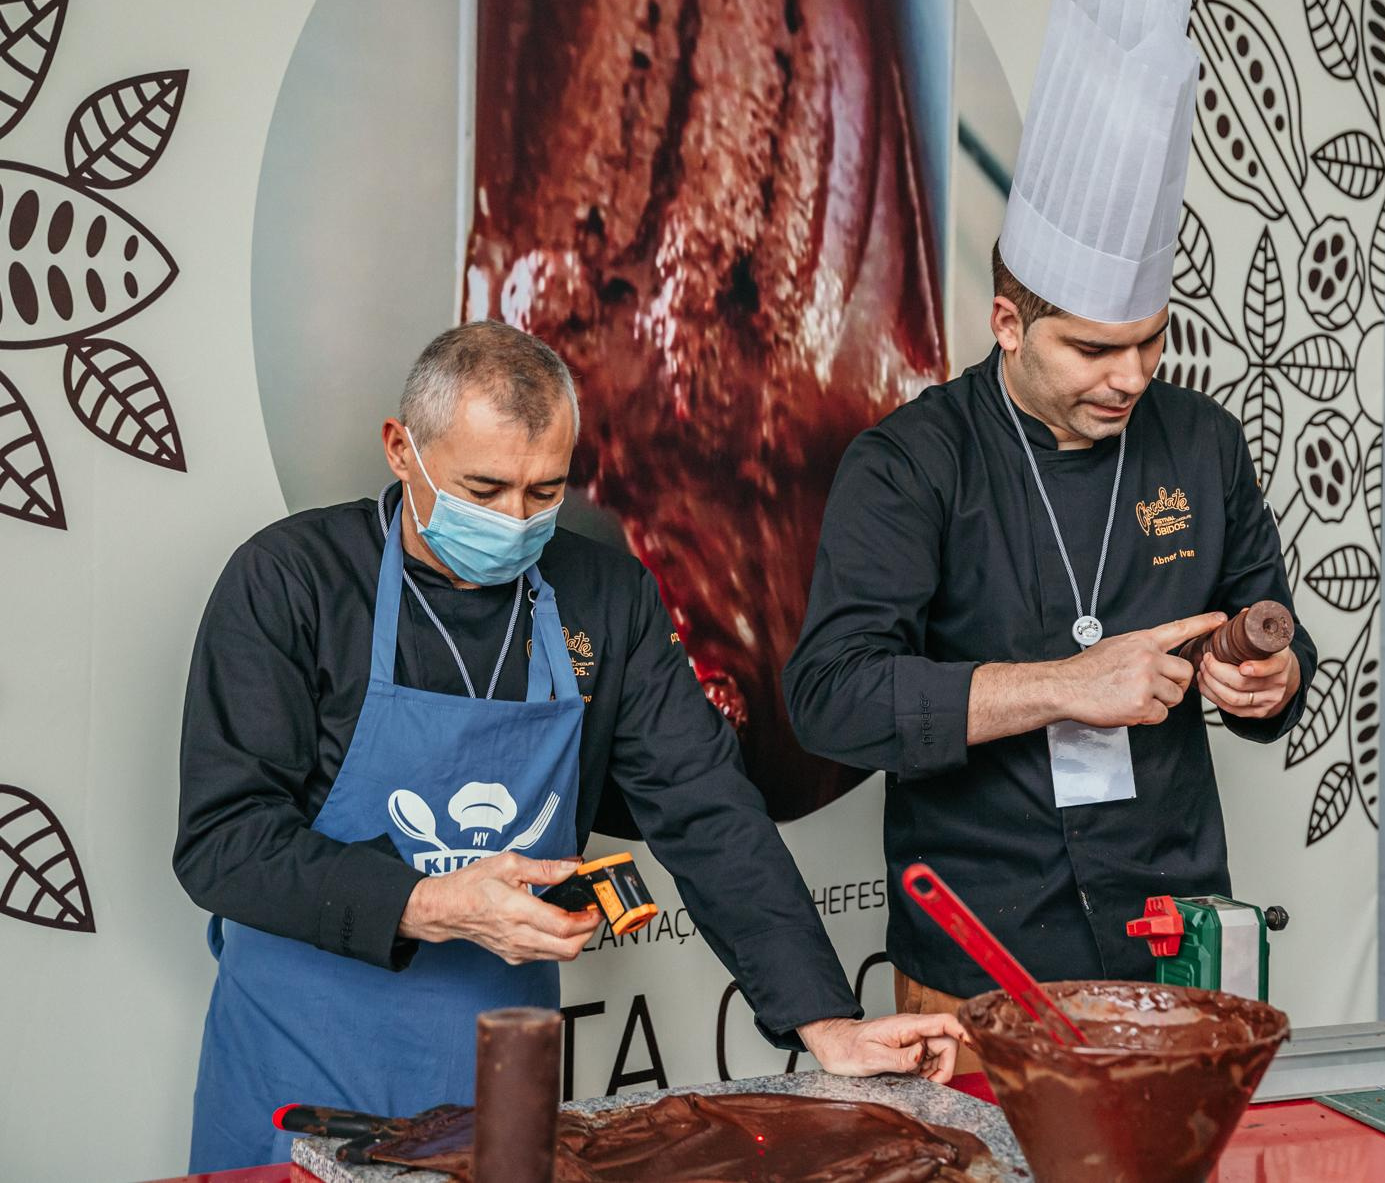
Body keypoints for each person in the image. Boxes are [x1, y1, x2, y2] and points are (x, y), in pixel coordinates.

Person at [176, 322, 961, 1170]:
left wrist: (826, 1023)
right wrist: (434, 902)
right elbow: (225, 842)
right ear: (402, 449)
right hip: (301, 1058)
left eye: (543, 492)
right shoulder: (288, 582)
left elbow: (708, 811)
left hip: (498, 1070)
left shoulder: (603, 594)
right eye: (485, 489)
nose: (515, 523)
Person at [783, 0, 1318, 1053]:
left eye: (1148, 341)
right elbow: (830, 700)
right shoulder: (908, 464)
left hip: (1173, 948)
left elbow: (1272, 631)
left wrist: (1267, 676)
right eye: (1091, 348)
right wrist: (1065, 687)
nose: (1129, 376)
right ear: (1008, 323)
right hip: (972, 960)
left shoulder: (1201, 443)